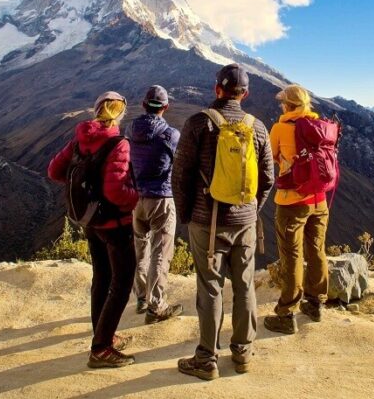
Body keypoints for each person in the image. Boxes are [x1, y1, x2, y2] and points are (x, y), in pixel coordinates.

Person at [172, 64, 274, 380]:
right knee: (244, 286)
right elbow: (268, 178)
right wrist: (252, 209)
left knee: (210, 287)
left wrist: (187, 215)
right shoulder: (257, 128)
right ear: (245, 94)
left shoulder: (199, 123)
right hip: (244, 222)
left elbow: (181, 174)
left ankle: (207, 358)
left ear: (217, 89)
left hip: (207, 222)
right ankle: (242, 353)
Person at [47, 91, 139, 368]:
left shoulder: (80, 138)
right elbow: (115, 191)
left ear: (96, 110)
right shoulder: (118, 143)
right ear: (120, 113)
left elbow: (54, 171)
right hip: (115, 223)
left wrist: (87, 188)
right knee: (121, 283)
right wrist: (136, 196)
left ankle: (103, 335)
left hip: (90, 220)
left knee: (101, 277)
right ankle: (101, 348)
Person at [263, 85, 330, 335]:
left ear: (287, 105)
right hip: (319, 200)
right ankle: (315, 304)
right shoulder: (319, 126)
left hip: (292, 201)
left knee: (291, 255)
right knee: (316, 250)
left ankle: (287, 312)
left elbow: (269, 157)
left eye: (283, 102)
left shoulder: (280, 128)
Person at [126, 85, 184, 324]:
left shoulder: (130, 128)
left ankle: (141, 297)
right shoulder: (170, 135)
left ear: (143, 104)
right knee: (161, 251)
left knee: (140, 248)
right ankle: (156, 305)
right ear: (166, 107)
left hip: (135, 198)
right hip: (161, 197)